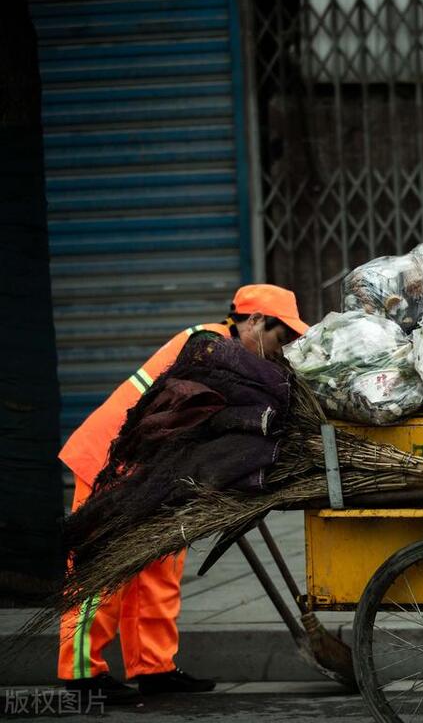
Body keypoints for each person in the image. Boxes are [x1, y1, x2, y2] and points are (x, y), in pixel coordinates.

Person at [58, 285, 308, 704]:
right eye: (277, 339)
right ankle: (81, 676)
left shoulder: (231, 355)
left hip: (154, 471)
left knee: (159, 570)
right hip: (110, 463)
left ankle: (154, 668)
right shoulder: (206, 347)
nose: (276, 352)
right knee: (102, 570)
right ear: (253, 320)